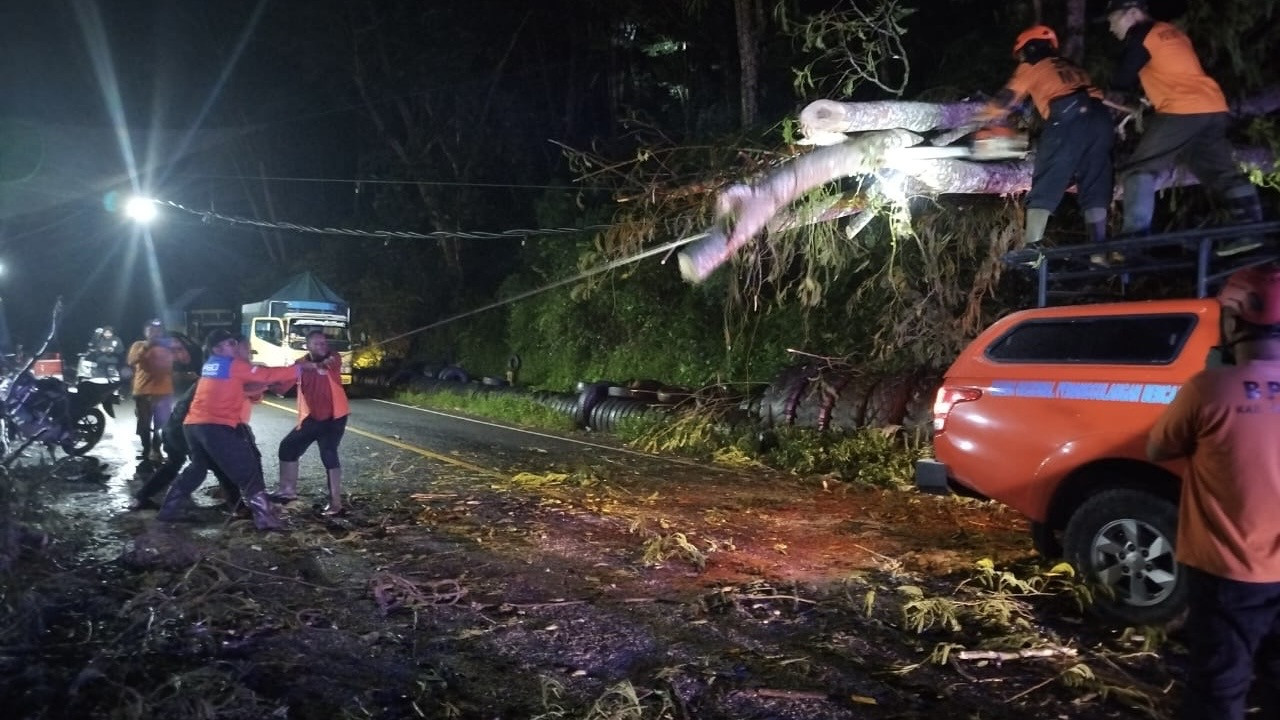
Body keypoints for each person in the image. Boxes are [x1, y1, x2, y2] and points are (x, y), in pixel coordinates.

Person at [1147, 264, 1280, 719]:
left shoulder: (1209, 389)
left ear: (1234, 320)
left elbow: (1158, 448)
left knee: (1219, 687)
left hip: (1229, 570)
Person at [1104, 0, 1264, 255]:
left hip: (1182, 110)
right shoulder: (1171, 32)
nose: (1111, 28)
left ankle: (1133, 239)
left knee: (1139, 170)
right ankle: (1250, 230)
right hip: (1212, 107)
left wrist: (1105, 96)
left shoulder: (1141, 34)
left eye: (1113, 20)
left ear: (1133, 13)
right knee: (1219, 172)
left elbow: (1122, 78)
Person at [974, 25, 1117, 266]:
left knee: (1049, 174)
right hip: (1100, 118)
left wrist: (976, 117)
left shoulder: (1032, 65)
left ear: (1028, 48)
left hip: (1068, 115)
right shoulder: (1069, 66)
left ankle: (1033, 246)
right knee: (1095, 181)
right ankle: (1099, 249)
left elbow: (1005, 100)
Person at [155, 330, 300, 530]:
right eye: (230, 343)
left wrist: (264, 385)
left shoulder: (212, 365)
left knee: (197, 469)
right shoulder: (233, 365)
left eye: (235, 343)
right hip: (216, 427)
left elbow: (245, 388)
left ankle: (168, 510)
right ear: (217, 349)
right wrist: (299, 369)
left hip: (194, 426)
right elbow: (267, 374)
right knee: (248, 470)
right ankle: (264, 518)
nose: (235, 346)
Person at [131, 334, 277, 515]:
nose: (249, 354)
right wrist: (269, 381)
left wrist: (261, 384)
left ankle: (143, 499)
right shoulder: (225, 371)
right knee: (214, 465)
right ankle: (239, 507)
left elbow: (252, 395)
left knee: (178, 465)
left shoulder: (222, 370)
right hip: (188, 427)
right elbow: (244, 390)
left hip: (179, 426)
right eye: (246, 349)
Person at [271, 330, 350, 515]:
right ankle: (287, 491)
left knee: (328, 453)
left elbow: (327, 364)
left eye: (324, 343)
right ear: (307, 346)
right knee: (288, 446)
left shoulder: (334, 358)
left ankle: (336, 504)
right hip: (313, 418)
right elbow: (281, 388)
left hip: (334, 418)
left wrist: (317, 365)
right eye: (317, 344)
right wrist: (267, 383)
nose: (323, 346)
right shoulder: (300, 364)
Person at [127, 319, 190, 467]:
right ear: (145, 332)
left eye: (158, 331)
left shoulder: (168, 346)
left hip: (164, 392)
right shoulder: (139, 345)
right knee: (143, 424)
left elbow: (185, 360)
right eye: (151, 330)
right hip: (143, 392)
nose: (155, 333)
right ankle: (146, 449)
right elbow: (131, 361)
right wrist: (147, 346)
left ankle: (156, 450)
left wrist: (179, 346)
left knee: (161, 424)